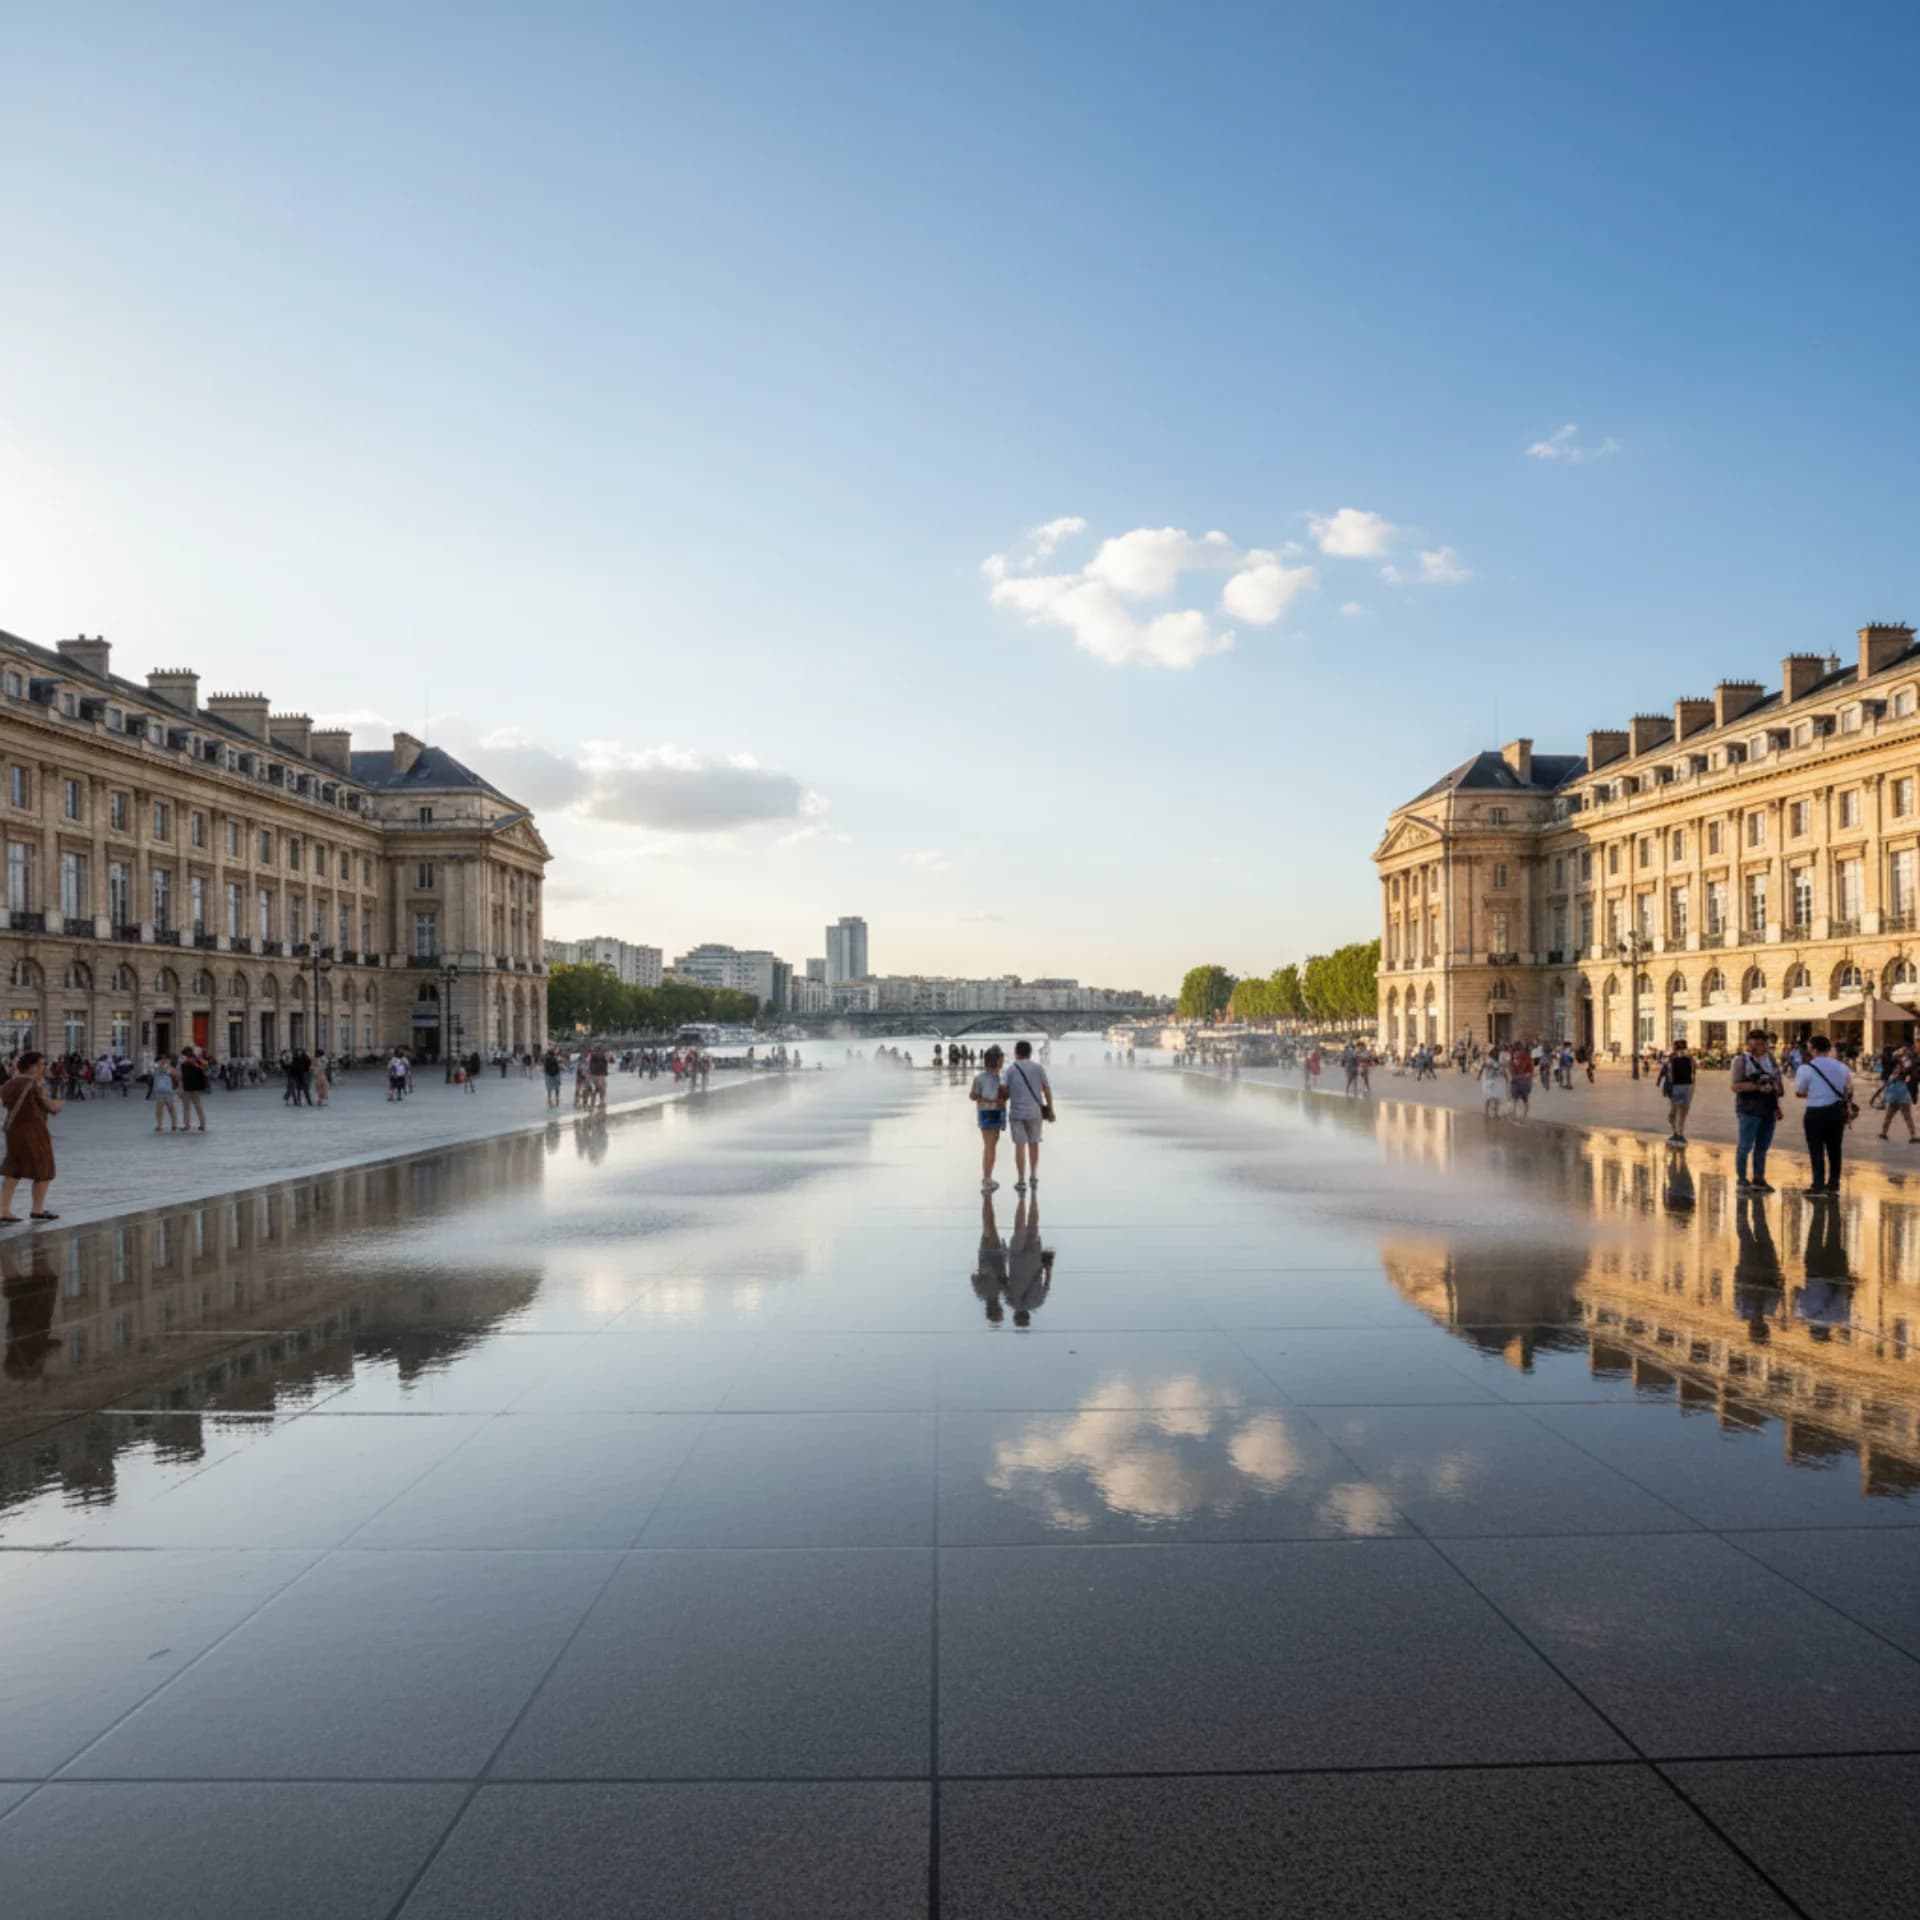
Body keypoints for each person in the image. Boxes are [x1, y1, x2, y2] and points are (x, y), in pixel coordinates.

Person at [0, 1051, 62, 1222]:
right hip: (34, 1132)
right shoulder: (33, 1084)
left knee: (13, 1169)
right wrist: (57, 1104)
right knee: (44, 1169)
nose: (44, 1067)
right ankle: (37, 1209)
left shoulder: (11, 1083)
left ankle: (3, 1210)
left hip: (14, 1132)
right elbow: (49, 1106)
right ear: (33, 1066)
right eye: (42, 1064)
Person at [1793, 1033, 1852, 1195]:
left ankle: (1818, 1184)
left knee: (1816, 1149)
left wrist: (1814, 1093)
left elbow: (1799, 1091)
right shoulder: (1842, 1067)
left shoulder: (1806, 1068)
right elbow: (1848, 1090)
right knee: (1835, 1149)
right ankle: (1834, 1184)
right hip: (1836, 1112)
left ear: (1812, 1049)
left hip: (1815, 1112)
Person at [1731, 1029, 1784, 1194]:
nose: (1758, 1048)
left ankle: (1759, 1179)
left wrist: (1776, 1097)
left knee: (1762, 1146)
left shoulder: (1771, 1060)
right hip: (1749, 1109)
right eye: (1754, 1045)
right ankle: (1741, 1179)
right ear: (1748, 1044)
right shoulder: (1741, 1061)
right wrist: (1757, 1086)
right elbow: (1735, 1086)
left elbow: (1779, 1086)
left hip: (1768, 1108)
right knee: (1745, 1145)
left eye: (1761, 1044)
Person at [1006, 1039, 1052, 1194]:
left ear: (1016, 1053)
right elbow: (1046, 1090)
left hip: (1017, 1113)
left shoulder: (1011, 1069)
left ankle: (1020, 1180)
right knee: (1034, 1143)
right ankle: (1033, 1175)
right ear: (1030, 1053)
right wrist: (1050, 1109)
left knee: (1020, 1145)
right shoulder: (1038, 1068)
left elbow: (1005, 1091)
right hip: (1035, 1112)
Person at [971, 1044, 1007, 1193]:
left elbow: (972, 1095)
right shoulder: (1000, 1078)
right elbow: (975, 1096)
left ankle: (987, 1177)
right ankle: (987, 1178)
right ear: (996, 1061)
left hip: (985, 1112)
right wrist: (991, 1101)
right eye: (1001, 1059)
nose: (1003, 1062)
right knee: (990, 1146)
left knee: (989, 1145)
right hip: (992, 1112)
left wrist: (985, 1100)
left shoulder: (980, 1077)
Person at [1877, 1047, 1918, 1142]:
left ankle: (1884, 1133)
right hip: (1899, 1096)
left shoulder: (1903, 1066)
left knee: (1893, 1116)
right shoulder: (1900, 1066)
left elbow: (1907, 1071)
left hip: (1898, 1096)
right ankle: (1912, 1135)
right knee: (1903, 1117)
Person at [1659, 1037, 1695, 1144]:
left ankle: (1676, 1133)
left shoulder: (1672, 1060)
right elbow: (1693, 1076)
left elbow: (1670, 1077)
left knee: (1673, 1114)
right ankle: (1681, 1134)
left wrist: (1669, 1089)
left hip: (1677, 1087)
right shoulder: (1691, 1059)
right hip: (1687, 1087)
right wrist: (1692, 1090)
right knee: (1683, 1114)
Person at [178, 1049, 210, 1132]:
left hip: (195, 1089)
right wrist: (180, 1088)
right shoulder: (183, 1065)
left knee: (198, 1107)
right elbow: (180, 1077)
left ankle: (202, 1124)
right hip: (186, 1089)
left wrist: (198, 1061)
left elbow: (206, 1066)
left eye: (190, 1057)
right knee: (186, 1108)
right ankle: (186, 1125)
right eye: (187, 1057)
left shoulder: (197, 1064)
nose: (188, 1059)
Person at [150, 1054, 182, 1133]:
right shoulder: (156, 1066)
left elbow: (177, 1074)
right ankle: (159, 1125)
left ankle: (174, 1125)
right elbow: (152, 1072)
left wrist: (177, 1083)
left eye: (165, 1060)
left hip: (167, 1091)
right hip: (160, 1091)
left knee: (170, 1108)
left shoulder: (168, 1067)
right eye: (162, 1060)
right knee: (159, 1110)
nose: (163, 1061)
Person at [1506, 1038, 1533, 1117]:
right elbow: (1530, 1070)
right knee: (1524, 1099)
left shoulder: (1514, 1056)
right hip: (1522, 1079)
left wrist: (1511, 1076)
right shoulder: (1525, 1056)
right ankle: (1524, 1116)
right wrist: (1530, 1081)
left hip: (1517, 1079)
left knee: (1516, 1098)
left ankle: (1516, 1114)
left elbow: (1510, 1068)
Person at [1478, 1047, 1507, 1117]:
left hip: (1497, 1080)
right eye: (1495, 1053)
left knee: (1496, 1096)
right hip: (1489, 1080)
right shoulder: (1489, 1061)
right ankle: (1487, 1111)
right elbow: (1482, 1067)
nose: (1496, 1054)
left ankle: (1495, 1112)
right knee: (1489, 1096)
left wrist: (1506, 1077)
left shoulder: (1499, 1061)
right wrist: (1479, 1075)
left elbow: (1503, 1070)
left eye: (1497, 1053)